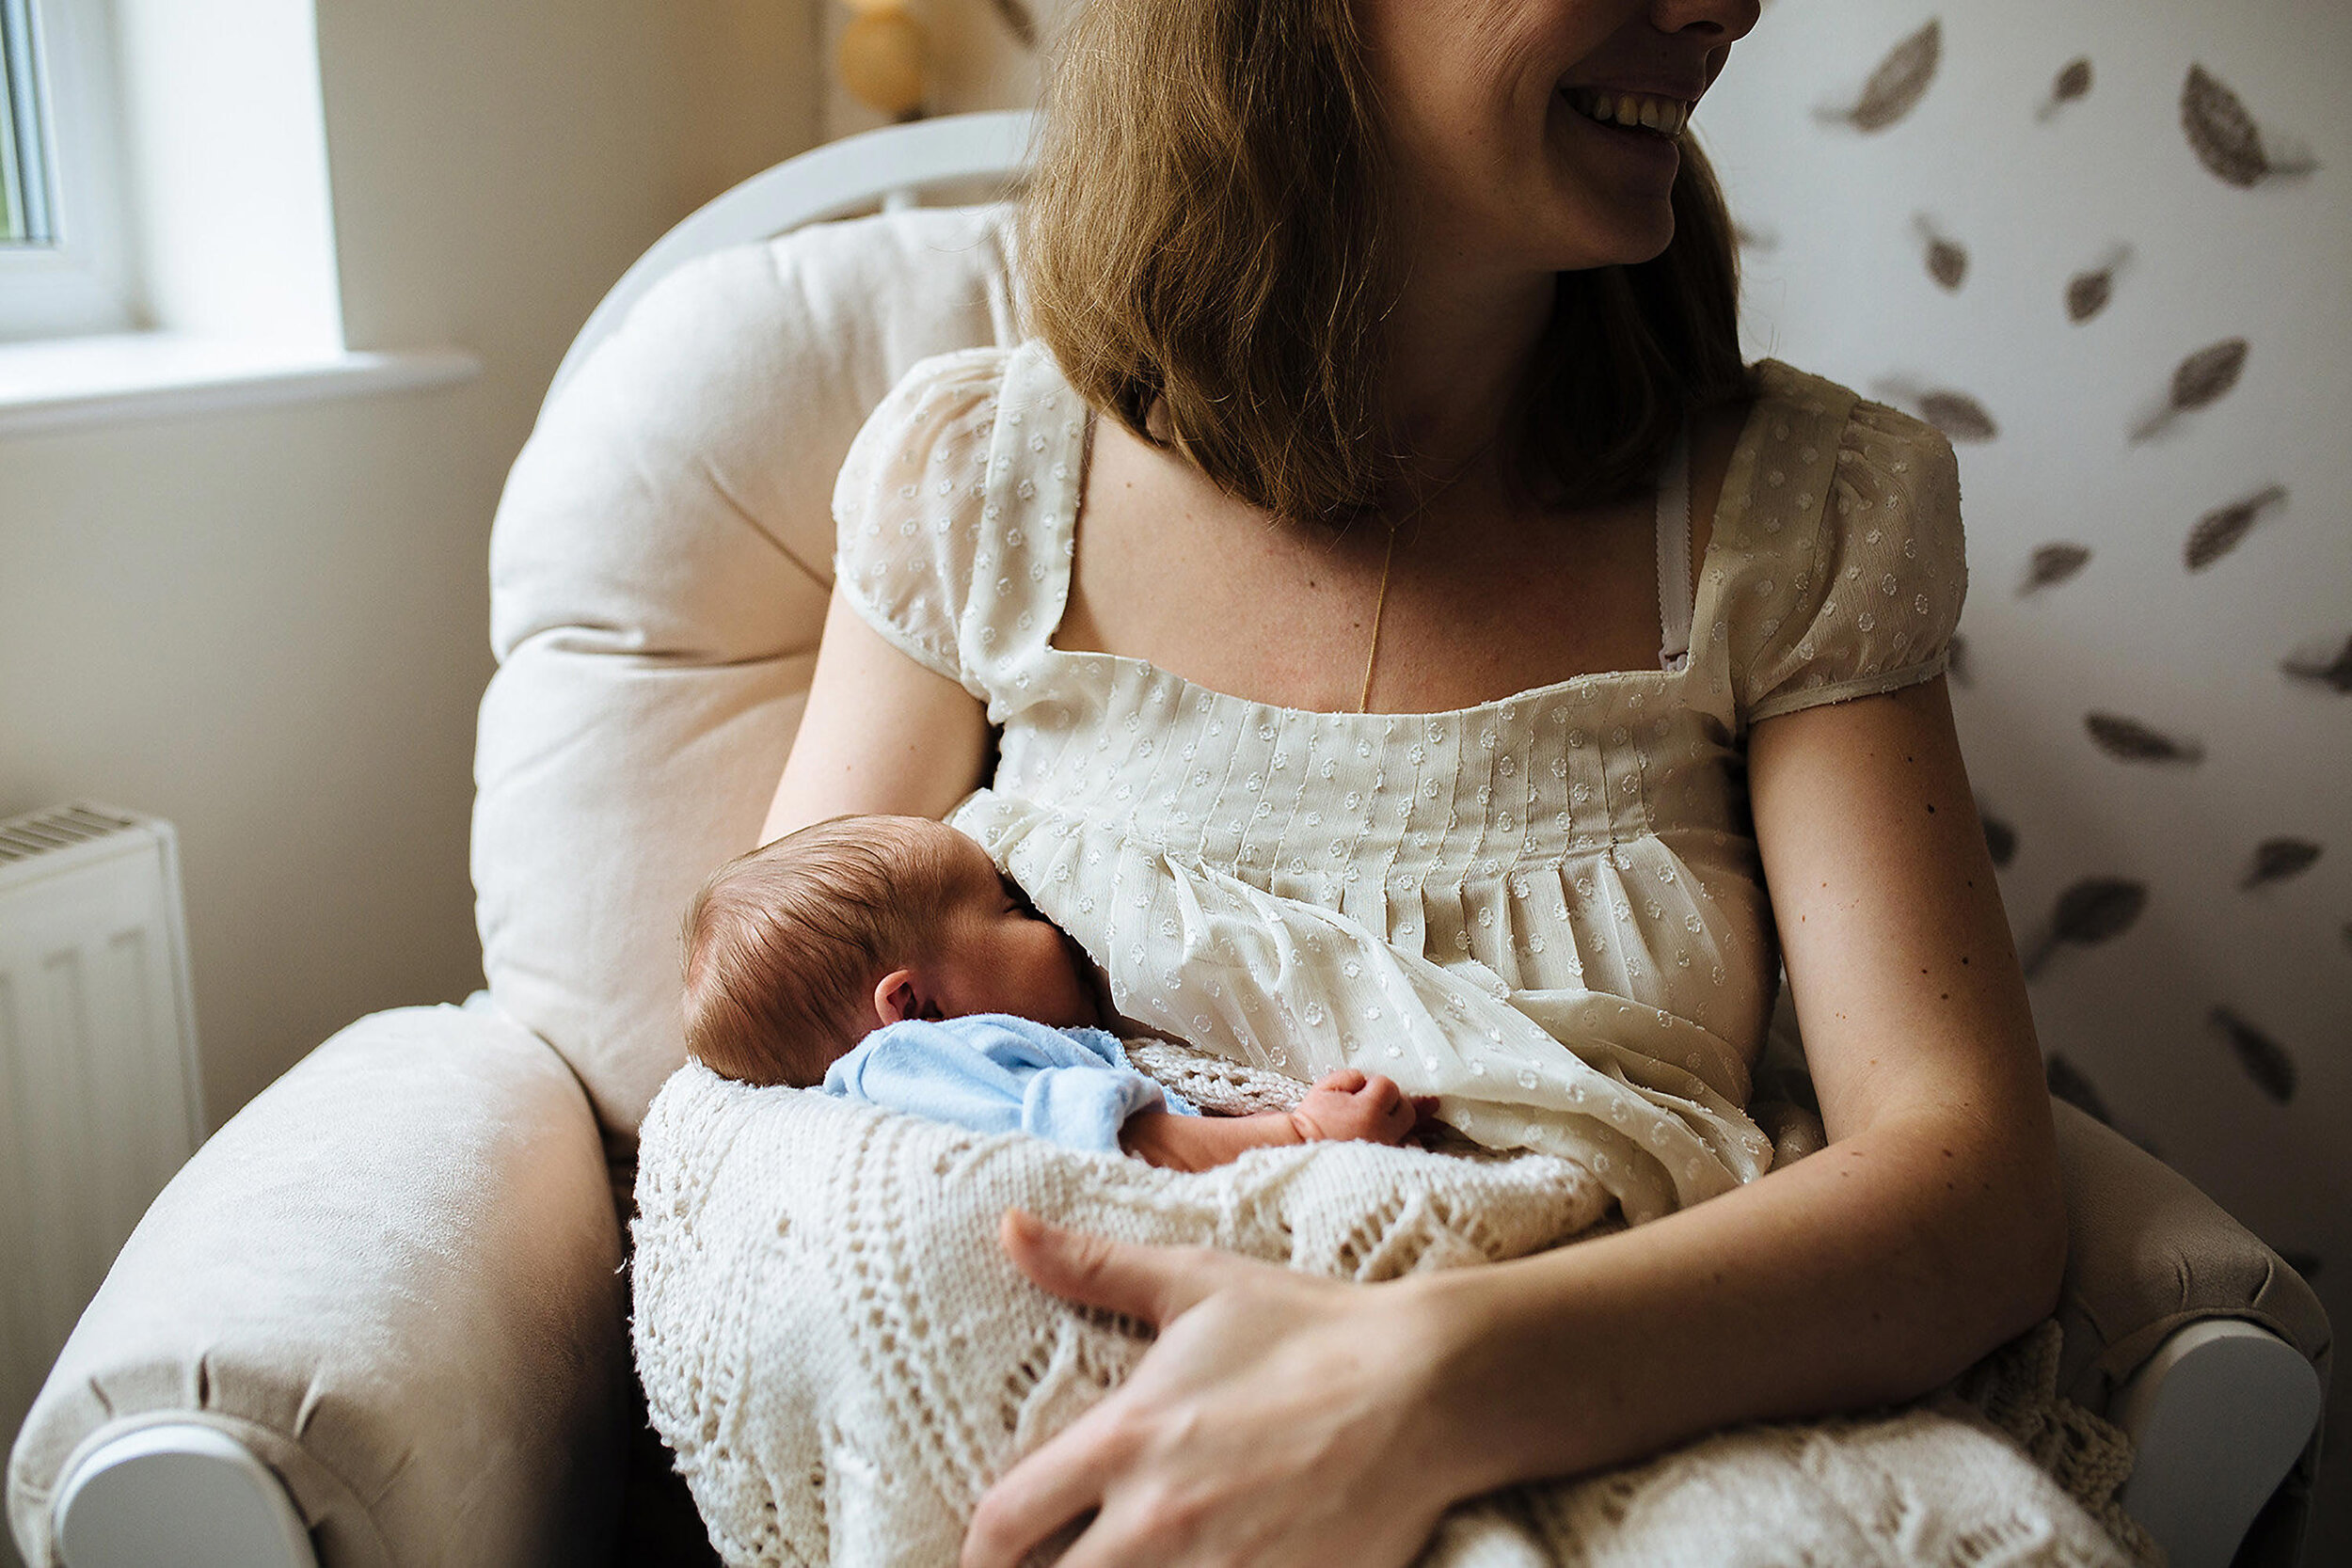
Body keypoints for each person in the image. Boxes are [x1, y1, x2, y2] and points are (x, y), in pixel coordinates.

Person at [761, 0, 2067, 1561]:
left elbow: (1972, 1189)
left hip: (1644, 1429)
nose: (1729, 8)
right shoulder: (975, 490)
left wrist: (1430, 1376)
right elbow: (782, 1111)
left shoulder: (1799, 521)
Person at [679, 812, 1426, 1167]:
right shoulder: (906, 1063)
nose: (1047, 917)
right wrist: (1299, 1136)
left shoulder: (925, 1075)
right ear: (913, 1005)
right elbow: (1119, 1137)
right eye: (1010, 908)